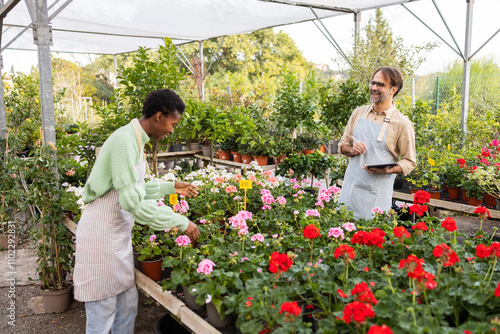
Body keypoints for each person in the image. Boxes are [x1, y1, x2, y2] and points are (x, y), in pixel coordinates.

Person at [73, 89, 200, 334]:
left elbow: (135, 188)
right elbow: (134, 205)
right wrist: (179, 221)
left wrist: (171, 186)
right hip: (101, 235)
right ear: (159, 116)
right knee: (103, 312)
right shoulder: (124, 141)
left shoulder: (135, 139)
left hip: (116, 234)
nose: (172, 131)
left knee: (127, 306)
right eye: (173, 124)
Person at [337, 66, 416, 220]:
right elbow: (343, 145)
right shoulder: (358, 112)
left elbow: (409, 161)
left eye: (380, 85)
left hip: (375, 197)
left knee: (371, 239)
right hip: (350, 190)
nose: (373, 88)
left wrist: (389, 170)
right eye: (372, 83)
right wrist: (352, 150)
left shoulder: (402, 123)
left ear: (393, 89)